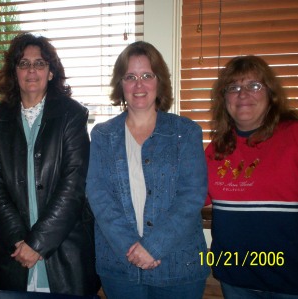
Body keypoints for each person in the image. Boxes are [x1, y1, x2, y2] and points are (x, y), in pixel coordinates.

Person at [86, 41, 209, 299]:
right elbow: (98, 195)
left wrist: (153, 247)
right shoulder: (102, 135)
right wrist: (132, 249)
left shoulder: (185, 132)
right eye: (130, 77)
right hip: (120, 266)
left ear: (159, 81)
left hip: (178, 266)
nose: (138, 85)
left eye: (147, 76)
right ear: (120, 85)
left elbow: (191, 196)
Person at [0, 32, 99, 296]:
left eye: (40, 63)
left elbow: (74, 186)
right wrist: (20, 242)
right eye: (23, 63)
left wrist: (37, 244)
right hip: (14, 253)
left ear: (51, 72)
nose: (31, 70)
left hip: (63, 251)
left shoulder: (72, 115)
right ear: (14, 72)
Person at [205, 55, 298, 298]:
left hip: (293, 280)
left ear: (271, 94)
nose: (242, 94)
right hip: (235, 279)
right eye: (234, 87)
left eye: (254, 85)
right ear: (224, 99)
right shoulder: (217, 147)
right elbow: (192, 197)